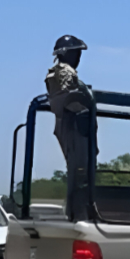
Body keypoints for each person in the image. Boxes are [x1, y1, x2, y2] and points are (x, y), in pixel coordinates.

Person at [45, 35, 94, 221]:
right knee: (80, 172)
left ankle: (77, 212)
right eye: (76, 53)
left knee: (79, 171)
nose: (78, 57)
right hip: (73, 124)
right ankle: (78, 214)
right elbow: (70, 99)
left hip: (72, 122)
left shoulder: (58, 72)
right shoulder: (64, 71)